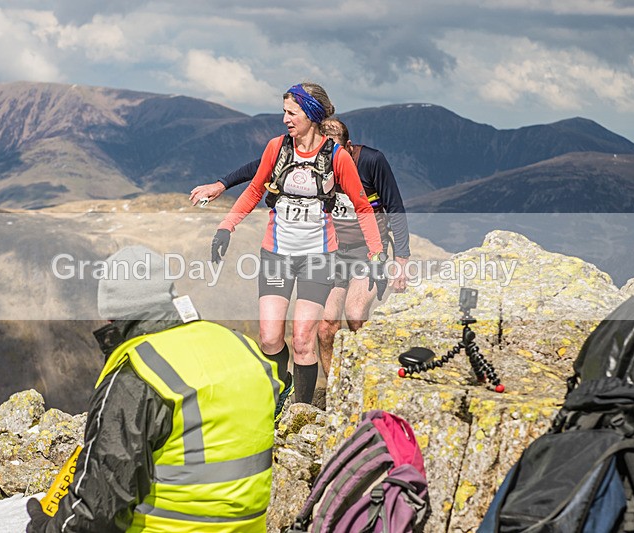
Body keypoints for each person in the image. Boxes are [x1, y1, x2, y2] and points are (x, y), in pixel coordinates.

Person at [26, 245, 282, 533]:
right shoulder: (242, 347)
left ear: (112, 316)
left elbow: (97, 510)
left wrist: (43, 528)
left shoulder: (138, 374)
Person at [209, 83, 384, 415]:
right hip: (276, 255)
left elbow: (363, 206)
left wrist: (377, 254)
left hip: (318, 258)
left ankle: (299, 412)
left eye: (292, 112)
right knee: (270, 338)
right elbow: (254, 190)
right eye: (284, 111)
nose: (285, 119)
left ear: (311, 115)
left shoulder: (336, 157)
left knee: (304, 338)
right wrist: (226, 227)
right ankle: (282, 384)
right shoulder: (276, 148)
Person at [194, 118, 410, 376]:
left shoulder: (372, 162)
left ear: (349, 148)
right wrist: (221, 185)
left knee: (355, 314)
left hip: (366, 249)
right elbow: (258, 169)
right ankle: (334, 392)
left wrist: (401, 260)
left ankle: (367, 380)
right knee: (326, 324)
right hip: (333, 250)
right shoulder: (311, 157)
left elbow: (395, 207)